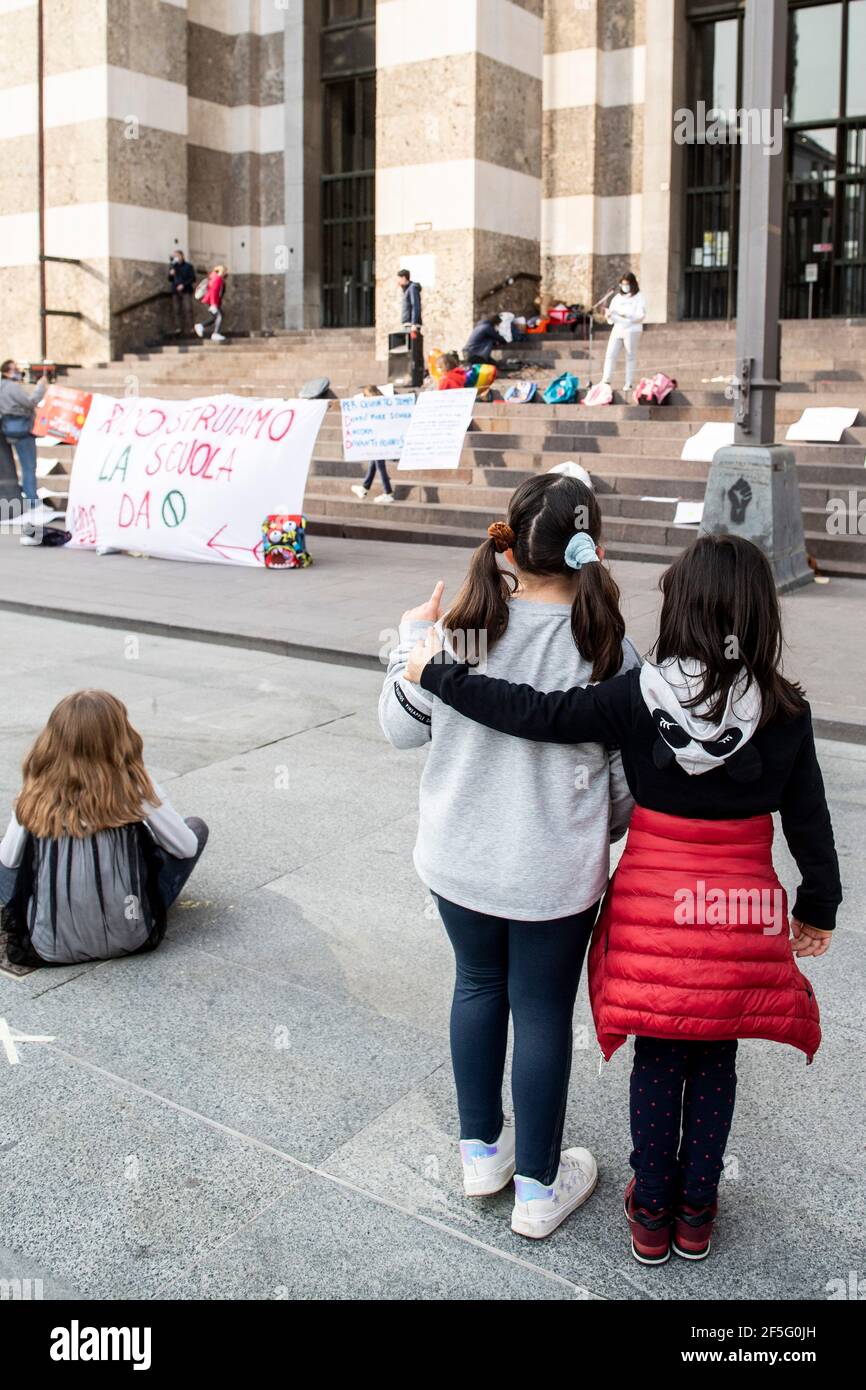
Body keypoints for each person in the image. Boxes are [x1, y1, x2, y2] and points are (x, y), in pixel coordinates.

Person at [407, 533, 841, 1265]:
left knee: (660, 1055)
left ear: (682, 608)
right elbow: (810, 821)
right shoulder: (784, 710)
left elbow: (535, 713)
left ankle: (648, 1213)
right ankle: (696, 1212)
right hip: (737, 917)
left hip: (654, 916)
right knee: (715, 1058)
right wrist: (817, 908)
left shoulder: (637, 697)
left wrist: (438, 673)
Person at [379, 474, 641, 1239]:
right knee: (541, 1014)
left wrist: (407, 637)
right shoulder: (608, 649)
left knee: (476, 987)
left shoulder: (463, 630)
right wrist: (591, 819)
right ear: (586, 546)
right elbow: (623, 794)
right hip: (554, 875)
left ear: (512, 540)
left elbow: (400, 729)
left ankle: (480, 1156)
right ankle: (536, 1192)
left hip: (459, 858)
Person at [0, 690, 209, 967]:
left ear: (54, 738)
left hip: (48, 944)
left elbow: (8, 861)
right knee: (195, 828)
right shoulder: (135, 783)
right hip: (132, 933)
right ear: (119, 736)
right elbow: (185, 848)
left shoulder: (36, 788)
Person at [0, 358, 50, 512]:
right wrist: (41, 387)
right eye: (15, 370)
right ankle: (32, 501)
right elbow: (30, 402)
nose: (18, 373)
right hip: (21, 429)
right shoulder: (11, 387)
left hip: (7, 428)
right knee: (29, 467)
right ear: (7, 372)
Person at [350, 385, 397, 505]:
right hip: (379, 438)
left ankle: (388, 492)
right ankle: (364, 488)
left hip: (378, 439)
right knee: (374, 463)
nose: (364, 398)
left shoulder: (377, 405)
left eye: (365, 395)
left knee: (380, 466)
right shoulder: (383, 403)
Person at [601, 271, 645, 393]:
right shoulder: (617, 298)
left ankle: (628, 383)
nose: (624, 287)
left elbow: (640, 315)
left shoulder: (639, 297)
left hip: (632, 329)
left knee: (630, 356)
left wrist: (626, 314)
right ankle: (606, 380)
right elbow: (612, 313)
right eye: (622, 284)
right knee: (610, 354)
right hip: (618, 328)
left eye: (627, 284)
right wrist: (608, 315)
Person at [195, 265, 228, 342]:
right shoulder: (217, 279)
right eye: (224, 271)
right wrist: (213, 304)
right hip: (212, 302)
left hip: (213, 302)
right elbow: (214, 292)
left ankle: (201, 326)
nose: (225, 273)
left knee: (217, 316)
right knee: (219, 316)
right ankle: (215, 333)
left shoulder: (214, 278)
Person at [168, 249, 196, 335]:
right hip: (175, 291)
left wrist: (183, 284)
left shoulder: (188, 266)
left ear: (182, 256)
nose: (176, 258)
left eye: (177, 256)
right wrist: (170, 274)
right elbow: (170, 279)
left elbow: (193, 278)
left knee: (188, 309)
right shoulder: (173, 266)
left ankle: (191, 328)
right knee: (176, 310)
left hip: (186, 290)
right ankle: (178, 328)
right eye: (175, 256)